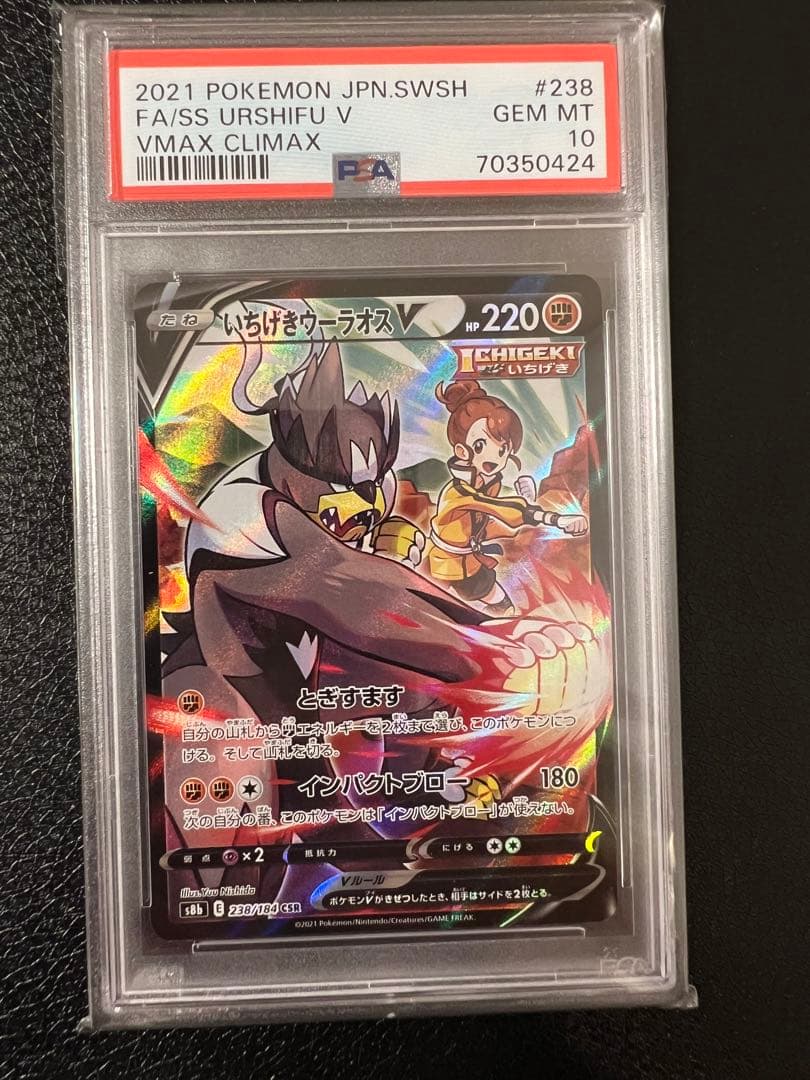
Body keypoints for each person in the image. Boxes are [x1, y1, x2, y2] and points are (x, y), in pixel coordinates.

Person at [426, 380, 588, 616]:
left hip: (470, 566)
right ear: (462, 451)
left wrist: (531, 506)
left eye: (502, 450)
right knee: (489, 608)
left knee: (500, 609)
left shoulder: (487, 486)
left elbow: (492, 525)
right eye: (480, 445)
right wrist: (554, 519)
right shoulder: (458, 493)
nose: (495, 456)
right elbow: (501, 509)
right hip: (446, 568)